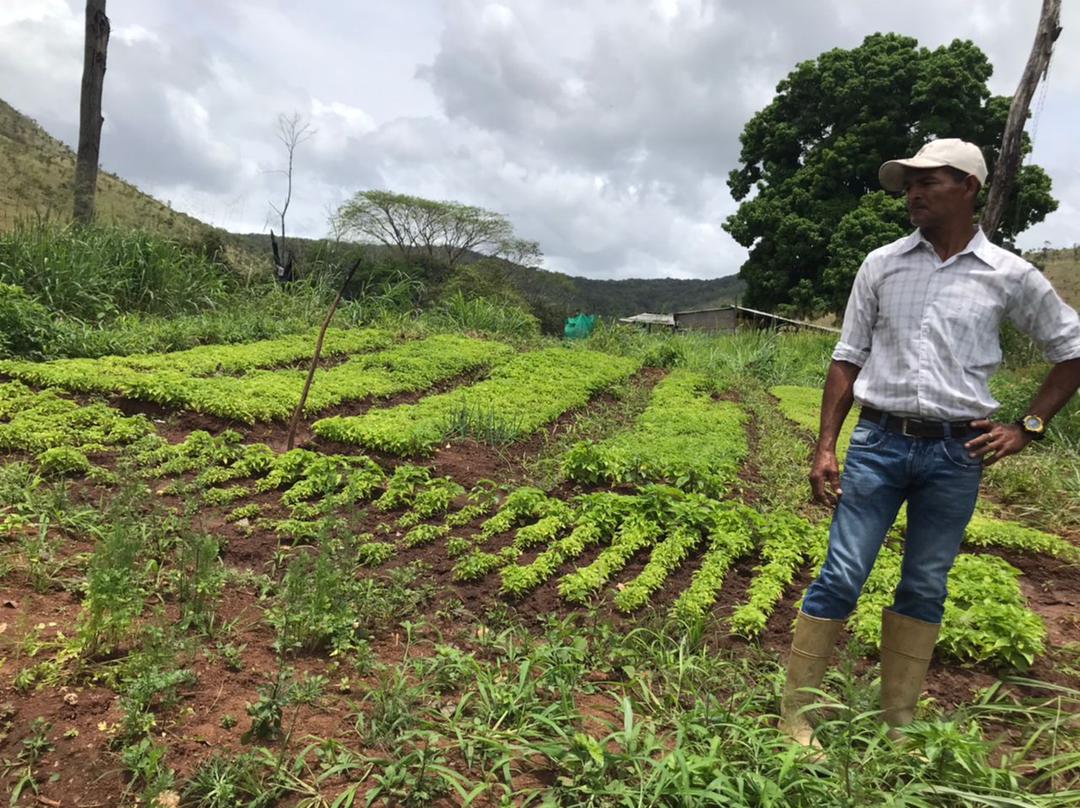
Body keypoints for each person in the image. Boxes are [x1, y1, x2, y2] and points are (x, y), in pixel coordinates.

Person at [779, 138, 1080, 749]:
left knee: (924, 583)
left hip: (956, 453)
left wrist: (1028, 427)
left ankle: (897, 723)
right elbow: (847, 356)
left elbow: (1070, 350)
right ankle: (796, 716)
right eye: (909, 182)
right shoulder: (882, 264)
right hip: (880, 442)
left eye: (929, 181)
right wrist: (825, 446)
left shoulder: (1009, 275)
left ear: (968, 186)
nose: (913, 193)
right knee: (842, 573)